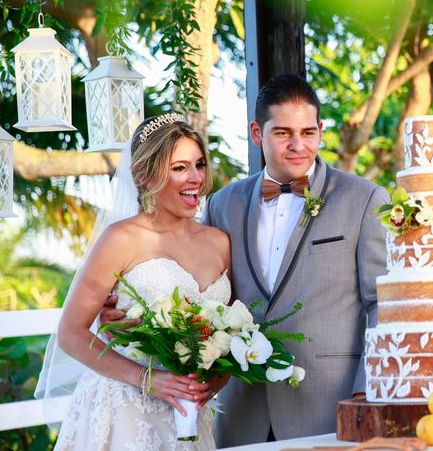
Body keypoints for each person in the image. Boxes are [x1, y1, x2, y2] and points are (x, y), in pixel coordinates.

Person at [202, 73, 388, 445]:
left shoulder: (364, 198)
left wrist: (367, 391)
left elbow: (381, 302)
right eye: (283, 133)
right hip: (243, 408)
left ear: (320, 130)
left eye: (308, 132)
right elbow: (207, 294)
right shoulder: (222, 204)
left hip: (329, 404)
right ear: (257, 133)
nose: (298, 145)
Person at [46, 114, 231, 450]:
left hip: (191, 414)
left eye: (199, 164)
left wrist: (212, 383)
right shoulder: (121, 239)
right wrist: (147, 380)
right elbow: (70, 334)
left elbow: (232, 335)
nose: (196, 178)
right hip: (126, 412)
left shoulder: (220, 242)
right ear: (145, 176)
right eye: (179, 168)